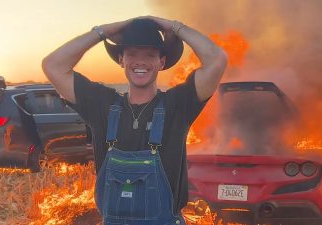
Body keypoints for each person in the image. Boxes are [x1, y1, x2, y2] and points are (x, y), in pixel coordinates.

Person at [42, 16, 227, 225]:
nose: (141, 61)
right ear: (121, 59)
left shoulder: (177, 105)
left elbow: (217, 59)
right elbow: (53, 65)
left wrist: (175, 27)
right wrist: (102, 31)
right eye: (132, 53)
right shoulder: (102, 104)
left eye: (150, 54)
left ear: (161, 62)